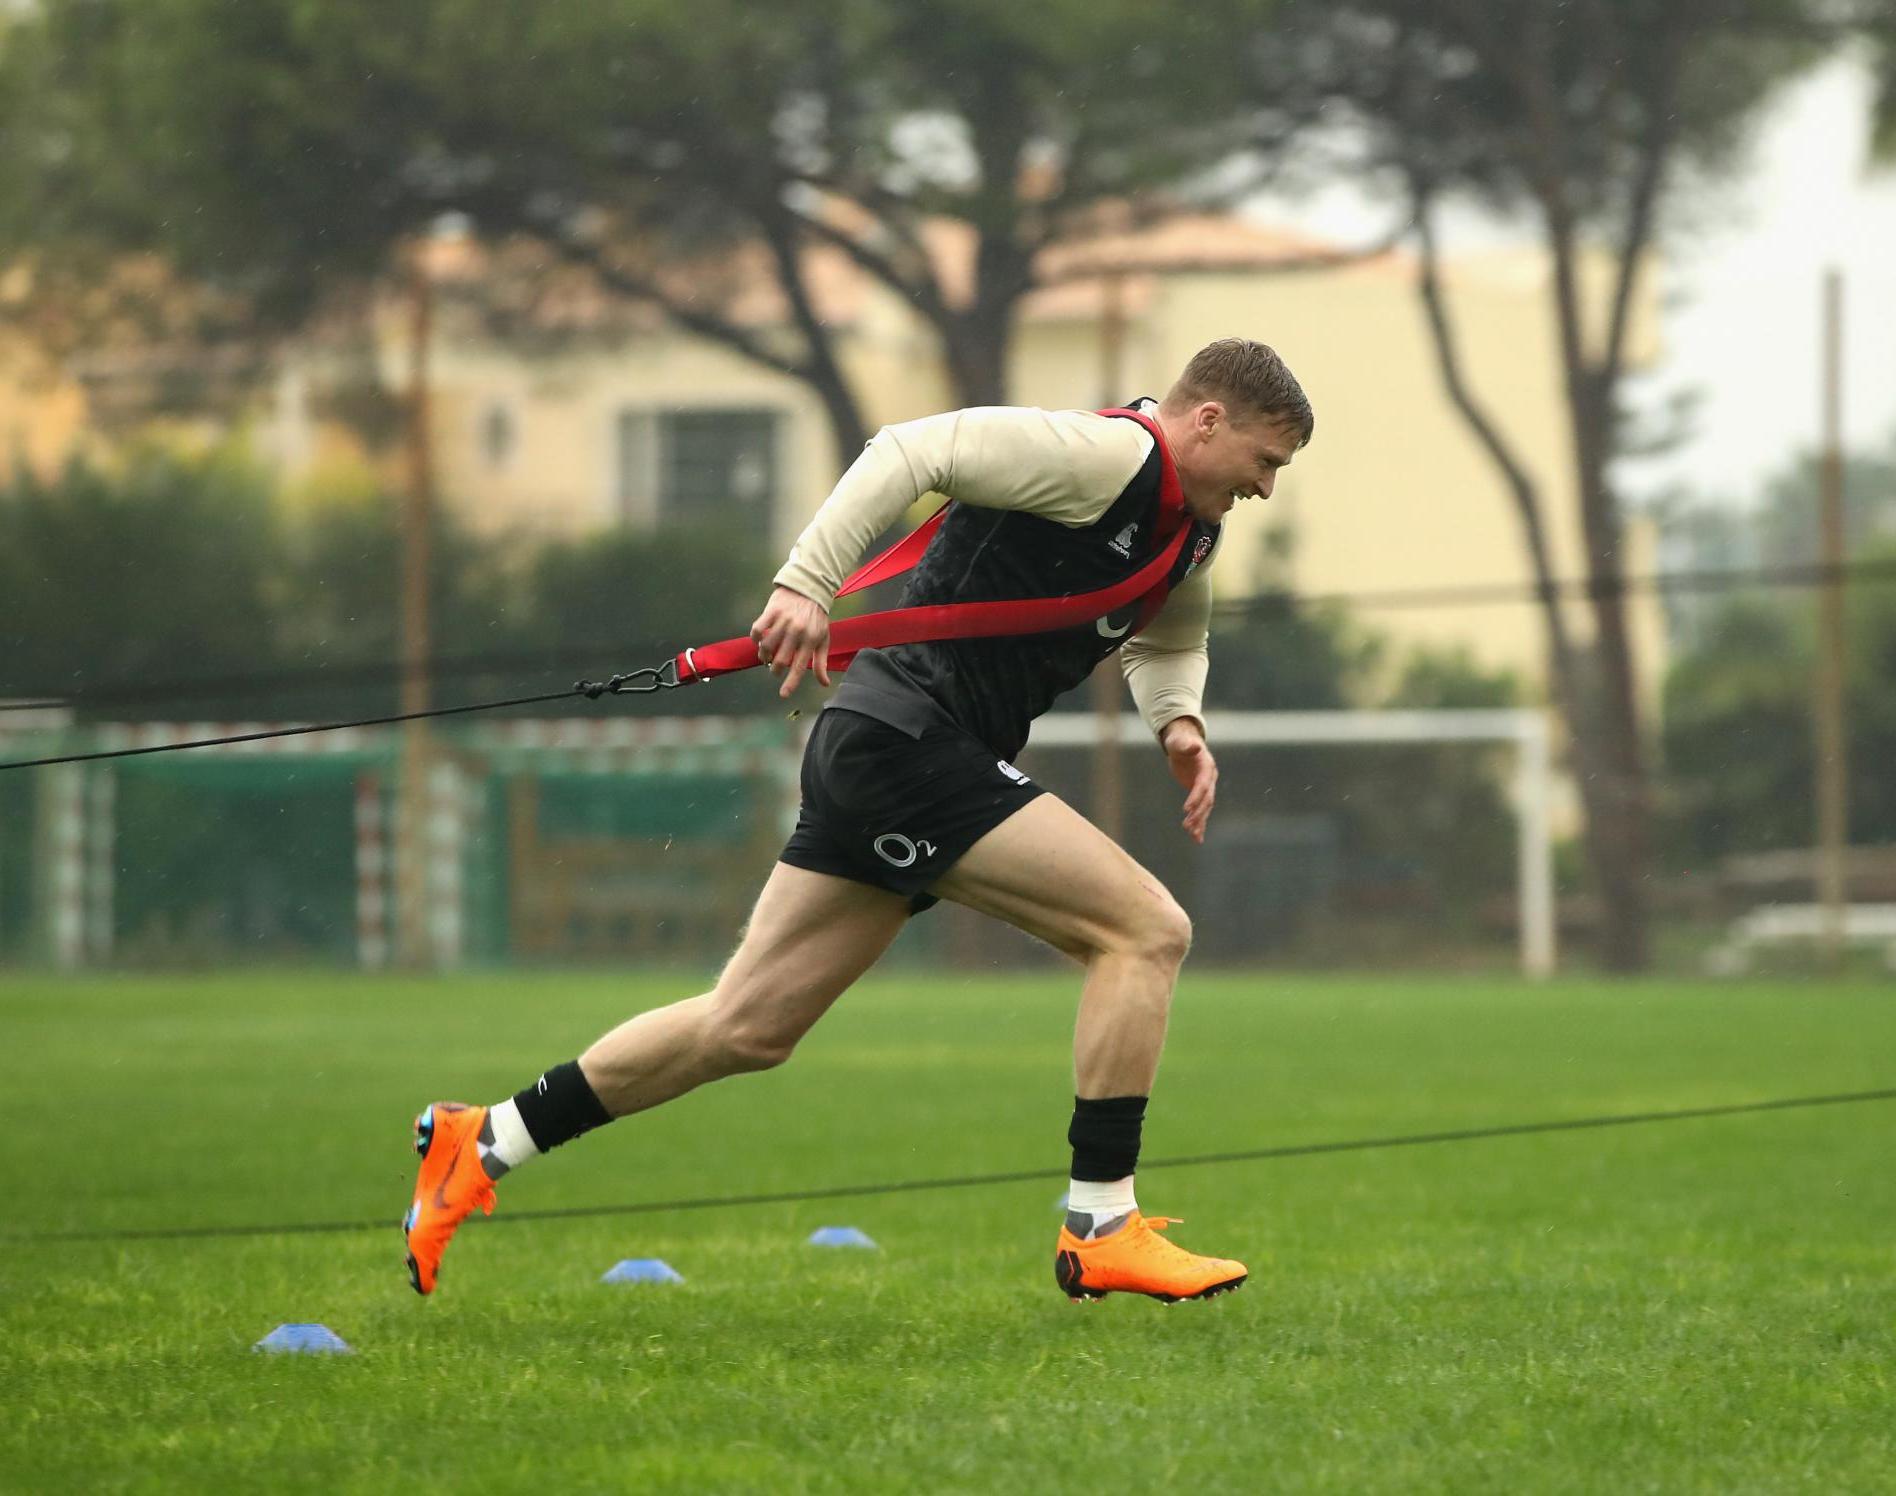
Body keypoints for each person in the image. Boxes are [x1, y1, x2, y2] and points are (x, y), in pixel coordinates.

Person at [403, 337, 1311, 1302]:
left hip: (889, 746)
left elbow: (1169, 622)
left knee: (747, 1027)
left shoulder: (1190, 524)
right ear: (1207, 420)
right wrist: (805, 583)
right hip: (910, 744)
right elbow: (909, 451)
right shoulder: (1108, 456)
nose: (1265, 488)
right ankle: (1102, 1223)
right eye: (1265, 462)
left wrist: (1178, 721)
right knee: (1145, 930)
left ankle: (485, 1138)